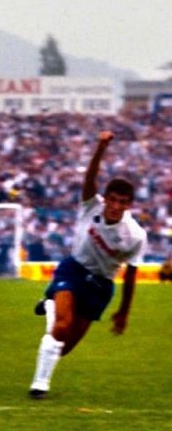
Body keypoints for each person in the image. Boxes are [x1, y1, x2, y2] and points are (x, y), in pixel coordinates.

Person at [29, 131, 147, 399]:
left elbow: (130, 276)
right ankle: (39, 386)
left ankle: (49, 304)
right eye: (113, 200)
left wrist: (124, 312)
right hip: (74, 271)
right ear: (105, 198)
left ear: (129, 205)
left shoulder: (136, 235)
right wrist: (101, 147)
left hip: (101, 286)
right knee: (61, 326)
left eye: (123, 202)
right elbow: (90, 178)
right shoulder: (91, 206)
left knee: (64, 346)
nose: (116, 206)